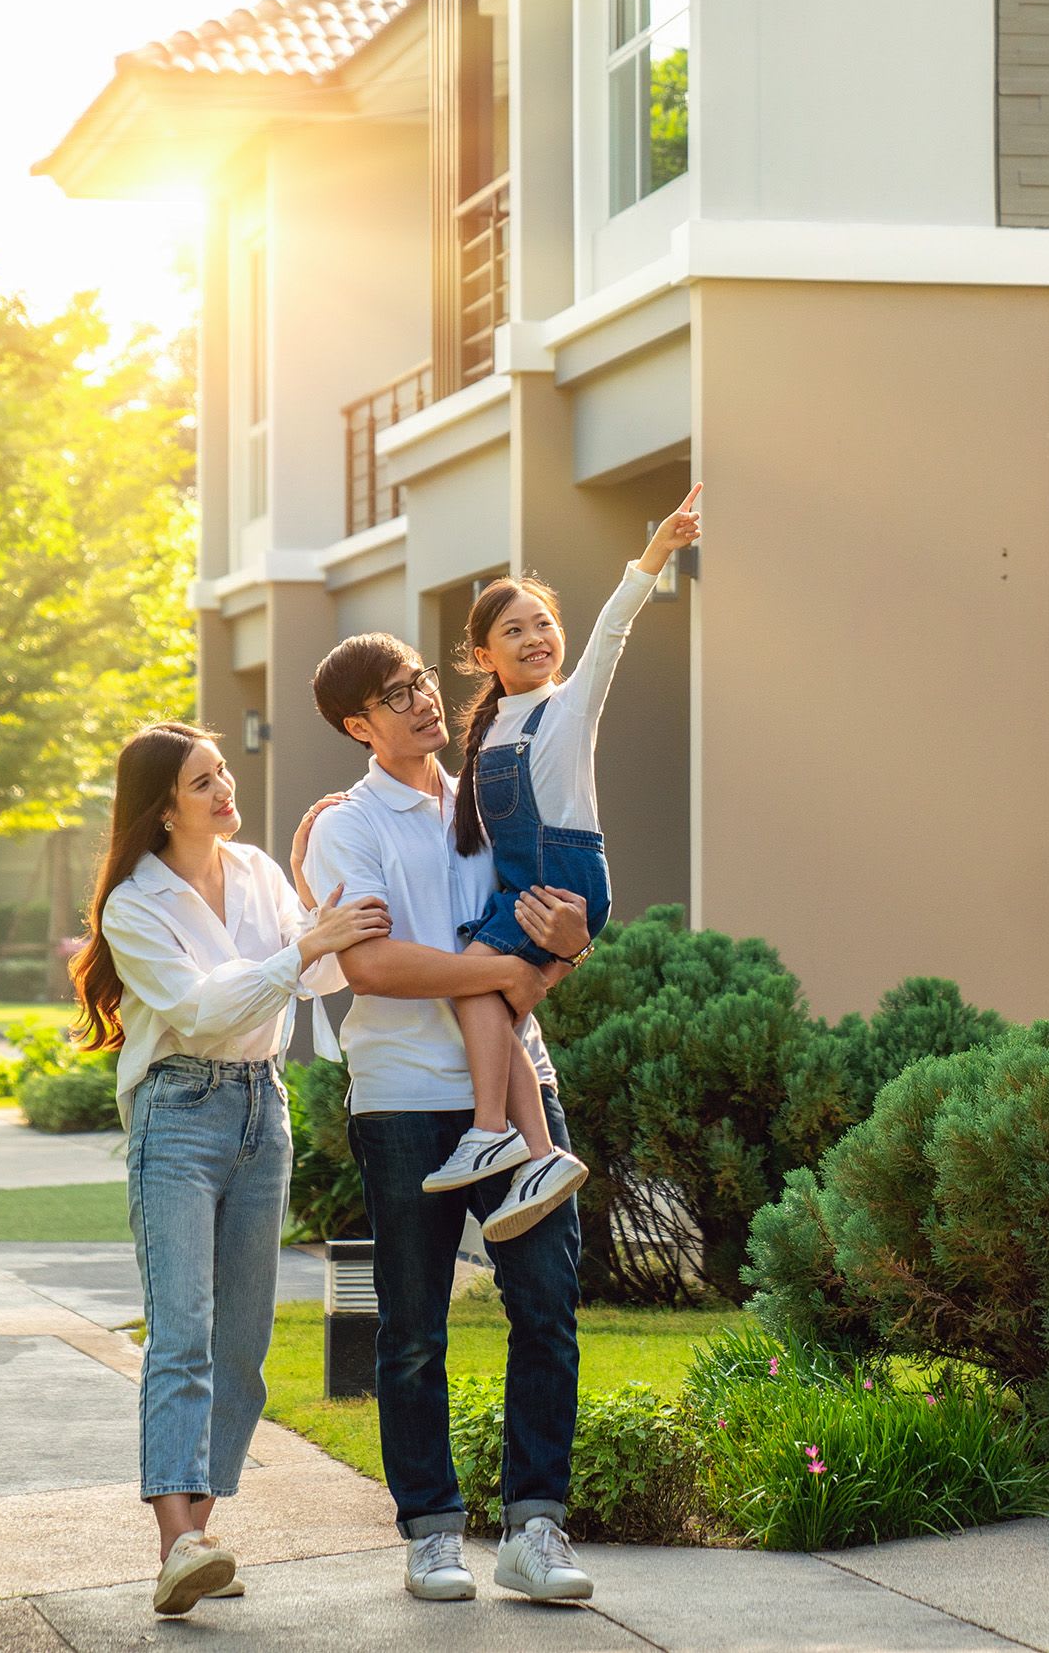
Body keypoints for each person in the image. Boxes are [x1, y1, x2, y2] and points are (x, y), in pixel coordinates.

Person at [299, 634, 599, 1605]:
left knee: (547, 1308)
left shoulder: (489, 796)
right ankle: (432, 1532)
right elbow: (373, 967)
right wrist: (502, 972)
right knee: (415, 1326)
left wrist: (563, 947)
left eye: (424, 681)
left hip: (520, 1084)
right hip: (403, 1101)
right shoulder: (347, 828)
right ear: (359, 724)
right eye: (399, 695)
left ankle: (535, 1530)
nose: (426, 701)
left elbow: (544, 919)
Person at [67, 721, 389, 1619]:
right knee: (183, 1330)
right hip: (179, 1114)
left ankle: (197, 1544)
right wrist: (304, 945)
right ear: (162, 807)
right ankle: (178, 1546)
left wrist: (325, 905)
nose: (223, 791)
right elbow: (203, 1013)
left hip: (263, 1108)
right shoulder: (136, 903)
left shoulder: (252, 870)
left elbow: (315, 977)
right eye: (202, 781)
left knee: (243, 1346)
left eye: (222, 773)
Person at [424, 486, 705, 1240]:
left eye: (543, 623)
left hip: (564, 885)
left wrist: (657, 552)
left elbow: (614, 628)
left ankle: (496, 1132)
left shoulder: (570, 704)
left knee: (477, 988)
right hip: (527, 889)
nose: (534, 637)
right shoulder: (486, 731)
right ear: (484, 656)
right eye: (513, 630)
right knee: (487, 998)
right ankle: (539, 1153)